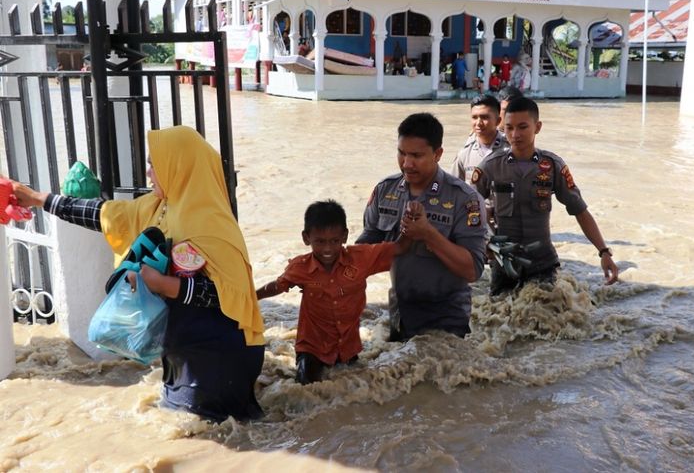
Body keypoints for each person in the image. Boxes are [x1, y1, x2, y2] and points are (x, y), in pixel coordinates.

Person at [6, 125, 266, 422]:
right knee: (188, 427)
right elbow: (104, 214)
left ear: (178, 166)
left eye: (154, 165)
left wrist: (163, 284)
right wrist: (40, 199)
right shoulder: (161, 207)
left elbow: (229, 297)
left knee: (211, 438)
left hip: (217, 354)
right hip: (183, 348)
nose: (149, 173)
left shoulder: (211, 224)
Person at [356, 113, 487, 341]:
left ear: (437, 154)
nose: (407, 163)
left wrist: (428, 234)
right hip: (400, 312)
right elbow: (366, 249)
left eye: (416, 155)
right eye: (402, 153)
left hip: (447, 318)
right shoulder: (384, 190)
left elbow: (472, 270)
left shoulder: (465, 199)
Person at [256, 200, 416, 385]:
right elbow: (277, 286)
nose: (327, 249)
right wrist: (251, 297)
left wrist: (411, 221)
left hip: (348, 347)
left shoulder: (360, 259)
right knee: (306, 389)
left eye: (334, 241)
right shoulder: (300, 268)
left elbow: (400, 247)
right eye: (320, 241)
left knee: (358, 388)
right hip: (312, 348)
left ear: (345, 236)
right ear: (306, 238)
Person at [472, 97, 619, 295]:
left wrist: (603, 252)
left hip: (542, 263)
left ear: (537, 127)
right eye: (509, 128)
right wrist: (480, 243)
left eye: (523, 127)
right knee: (498, 315)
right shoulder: (490, 166)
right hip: (504, 263)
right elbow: (467, 207)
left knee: (545, 314)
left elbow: (580, 211)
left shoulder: (552, 166)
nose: (515, 134)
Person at [450, 94, 510, 186]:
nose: (478, 123)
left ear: (498, 121)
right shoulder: (464, 155)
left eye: (484, 117)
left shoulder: (512, 150)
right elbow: (453, 189)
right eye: (474, 117)